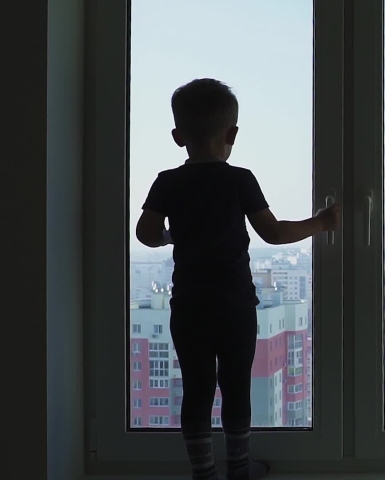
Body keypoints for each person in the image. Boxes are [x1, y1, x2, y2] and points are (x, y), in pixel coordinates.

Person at [135, 78, 341, 480]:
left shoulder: (167, 181)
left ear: (178, 136)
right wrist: (321, 222)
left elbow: (145, 233)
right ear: (232, 134)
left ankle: (204, 473)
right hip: (234, 306)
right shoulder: (239, 179)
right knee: (235, 387)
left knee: (196, 389)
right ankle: (239, 468)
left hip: (189, 305)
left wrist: (168, 235)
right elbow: (275, 233)